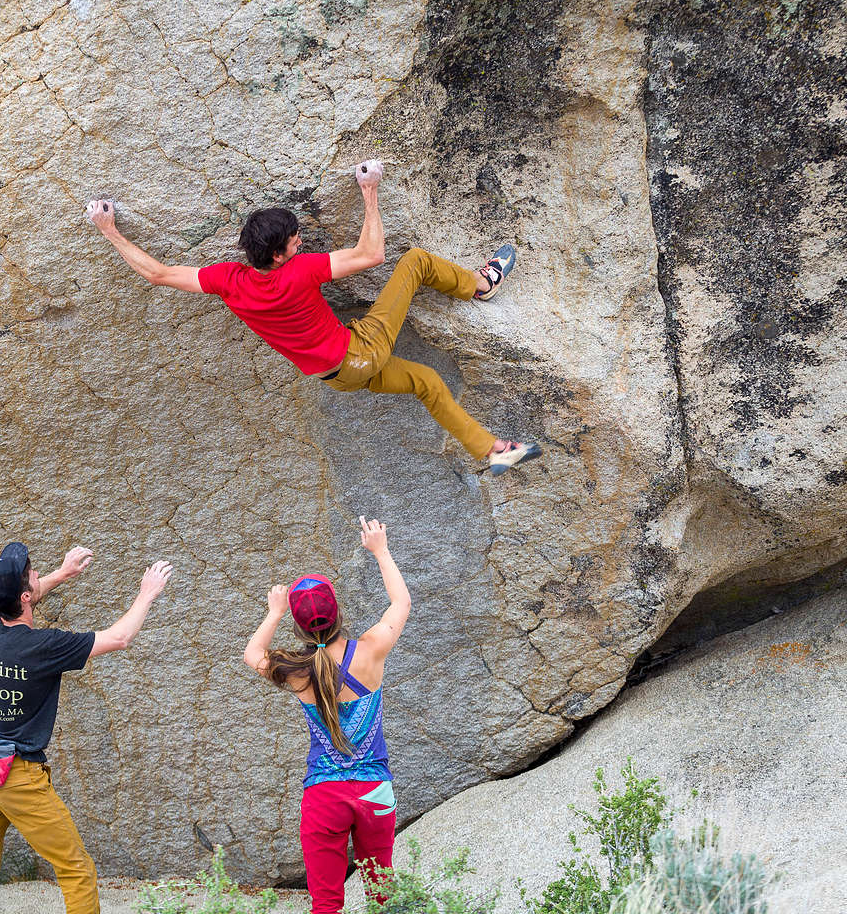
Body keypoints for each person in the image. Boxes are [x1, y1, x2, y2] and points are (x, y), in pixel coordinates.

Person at [86, 162, 541, 474]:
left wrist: (110, 231)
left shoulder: (229, 281)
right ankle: (482, 285)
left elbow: (159, 274)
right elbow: (373, 253)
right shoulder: (299, 272)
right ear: (280, 252)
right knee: (416, 261)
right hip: (361, 350)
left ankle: (492, 450)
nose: (301, 243)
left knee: (426, 382)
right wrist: (370, 191)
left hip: (338, 375)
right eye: (296, 240)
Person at [0, 541, 174, 914]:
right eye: (32, 572)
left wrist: (64, 572)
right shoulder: (41, 646)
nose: (37, 573)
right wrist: (146, 594)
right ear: (24, 596)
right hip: (17, 777)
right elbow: (119, 638)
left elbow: (28, 598)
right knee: (76, 870)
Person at [242, 516, 409, 914]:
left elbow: (252, 655)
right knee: (383, 897)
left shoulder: (299, 672)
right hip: (374, 792)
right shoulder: (370, 651)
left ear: (301, 628)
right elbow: (401, 602)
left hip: (324, 795)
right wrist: (380, 551)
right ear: (338, 613)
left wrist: (274, 612)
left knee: (327, 904)